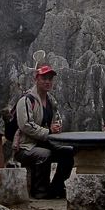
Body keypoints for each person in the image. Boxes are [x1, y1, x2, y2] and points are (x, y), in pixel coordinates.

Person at [13, 65, 74, 199]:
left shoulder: (51, 101)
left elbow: (55, 119)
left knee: (69, 152)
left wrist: (56, 128)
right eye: (44, 78)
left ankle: (56, 187)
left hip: (44, 142)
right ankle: (40, 191)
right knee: (44, 154)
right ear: (36, 79)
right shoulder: (27, 100)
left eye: (50, 79)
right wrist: (48, 131)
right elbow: (26, 125)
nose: (48, 81)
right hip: (25, 146)